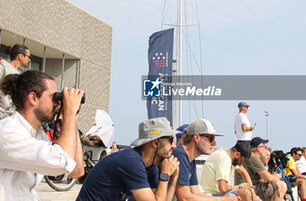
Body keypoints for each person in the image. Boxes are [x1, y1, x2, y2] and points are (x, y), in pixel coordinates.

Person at [0, 70, 84, 200]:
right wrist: (69, 114)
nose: (58, 103)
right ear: (33, 98)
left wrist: (72, 118)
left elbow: (76, 170)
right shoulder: (8, 132)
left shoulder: (37, 135)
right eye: (54, 98)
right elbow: (61, 162)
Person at [77, 117, 180, 201]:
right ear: (155, 142)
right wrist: (165, 174)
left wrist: (173, 178)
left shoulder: (150, 166)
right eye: (171, 140)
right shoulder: (131, 161)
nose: (174, 146)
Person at [173, 118, 237, 201]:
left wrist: (223, 199)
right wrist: (222, 199)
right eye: (211, 139)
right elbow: (184, 198)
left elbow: (196, 193)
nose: (214, 143)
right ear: (196, 137)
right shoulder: (180, 154)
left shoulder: (190, 159)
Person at [234, 137, 287, 201]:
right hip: (248, 188)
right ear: (259, 148)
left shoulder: (250, 156)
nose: (265, 149)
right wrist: (278, 177)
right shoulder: (253, 157)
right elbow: (269, 178)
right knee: (281, 185)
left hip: (247, 186)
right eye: (264, 147)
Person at [0, 44, 31, 119]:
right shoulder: (2, 68)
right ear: (21, 56)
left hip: (8, 117)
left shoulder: (19, 74)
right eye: (29, 57)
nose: (29, 60)